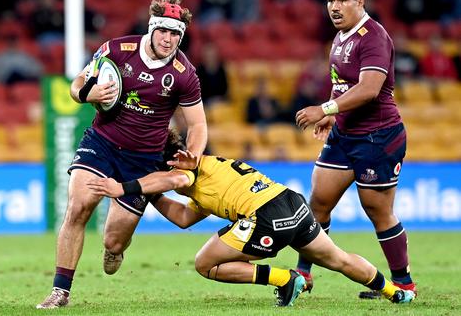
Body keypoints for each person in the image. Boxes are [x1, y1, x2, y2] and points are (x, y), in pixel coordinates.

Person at [86, 130, 415, 307]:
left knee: (205, 264)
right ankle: (395, 293)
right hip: (292, 204)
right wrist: (151, 195)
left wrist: (126, 186)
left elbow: (172, 181)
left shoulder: (183, 172)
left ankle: (284, 280)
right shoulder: (208, 174)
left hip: (266, 216)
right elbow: (185, 217)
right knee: (338, 258)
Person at [36, 0, 207, 309]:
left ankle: (115, 247)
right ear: (151, 28)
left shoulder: (184, 73)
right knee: (79, 206)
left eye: (176, 34)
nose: (169, 40)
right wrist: (89, 93)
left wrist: (191, 159)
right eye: (164, 32)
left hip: (144, 159)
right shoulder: (117, 50)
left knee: (113, 240)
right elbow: (76, 86)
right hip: (101, 142)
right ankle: (60, 291)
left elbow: (197, 126)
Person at [294, 0, 416, 299]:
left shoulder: (373, 36)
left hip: (377, 136)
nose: (334, 6)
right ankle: (301, 276)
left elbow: (370, 89)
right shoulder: (340, 36)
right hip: (345, 135)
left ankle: (403, 283)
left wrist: (325, 109)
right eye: (331, 0)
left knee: (377, 210)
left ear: (360, 2)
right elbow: (343, 85)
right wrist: (334, 119)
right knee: (317, 202)